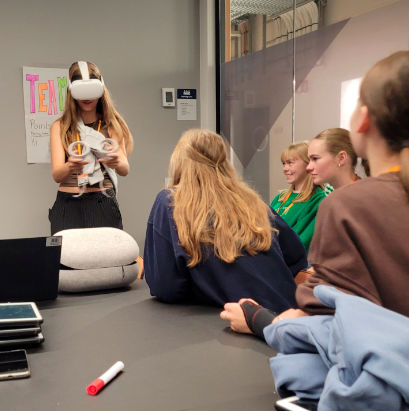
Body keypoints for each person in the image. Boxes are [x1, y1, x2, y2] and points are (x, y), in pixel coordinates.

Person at [220, 50, 409, 334]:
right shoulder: (350, 200)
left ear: (364, 119)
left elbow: (323, 322)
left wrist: (259, 321)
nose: (307, 167)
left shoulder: (346, 205)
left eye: (314, 159)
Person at [144, 129, 308, 312]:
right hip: (289, 316)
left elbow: (166, 288)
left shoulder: (170, 202)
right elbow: (297, 257)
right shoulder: (252, 201)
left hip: (248, 321)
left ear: (180, 162)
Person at [49, 61, 133, 234]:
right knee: (64, 252)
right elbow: (57, 175)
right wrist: (70, 166)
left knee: (108, 252)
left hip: (102, 201)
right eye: (82, 92)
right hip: (68, 203)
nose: (87, 98)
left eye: (92, 91)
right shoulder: (60, 127)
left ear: (101, 89)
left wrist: (116, 162)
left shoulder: (111, 124)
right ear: (72, 92)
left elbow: (125, 169)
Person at [270, 142, 326, 252]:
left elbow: (301, 243)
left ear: (308, 164)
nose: (285, 169)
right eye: (284, 164)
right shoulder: (280, 197)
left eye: (290, 163)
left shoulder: (317, 200)